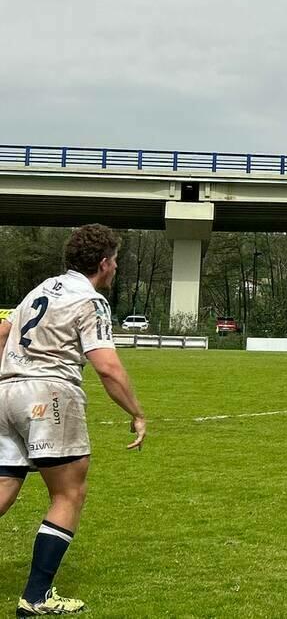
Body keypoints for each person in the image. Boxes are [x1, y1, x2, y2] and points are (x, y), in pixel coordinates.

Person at [0, 224, 147, 616]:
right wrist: (136, 412)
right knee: (68, 494)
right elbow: (108, 367)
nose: (115, 268)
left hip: (7, 392)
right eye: (114, 261)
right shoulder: (91, 301)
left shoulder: (42, 288)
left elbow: (2, 331)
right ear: (103, 263)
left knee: (4, 485)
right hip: (49, 396)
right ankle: (36, 598)